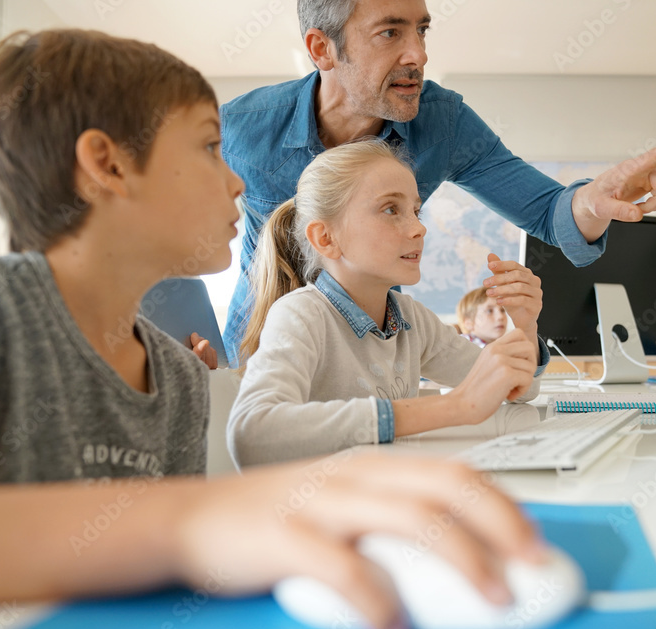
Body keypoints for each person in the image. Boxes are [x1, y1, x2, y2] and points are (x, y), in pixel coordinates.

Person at [0, 29, 553, 629]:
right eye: (209, 147)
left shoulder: (176, 379)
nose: (237, 180)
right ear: (108, 165)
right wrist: (183, 520)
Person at [220, 0, 656, 364]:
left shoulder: (442, 122)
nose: (419, 54)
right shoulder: (240, 129)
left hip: (377, 354)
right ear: (322, 49)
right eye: (390, 32)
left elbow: (548, 212)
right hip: (255, 353)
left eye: (422, 30)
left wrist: (595, 199)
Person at [227, 139, 546, 467]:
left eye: (416, 211)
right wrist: (456, 406)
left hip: (388, 500)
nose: (419, 228)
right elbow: (253, 433)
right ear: (326, 238)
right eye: (391, 209)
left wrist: (525, 325)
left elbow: (520, 390)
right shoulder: (302, 314)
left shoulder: (412, 319)